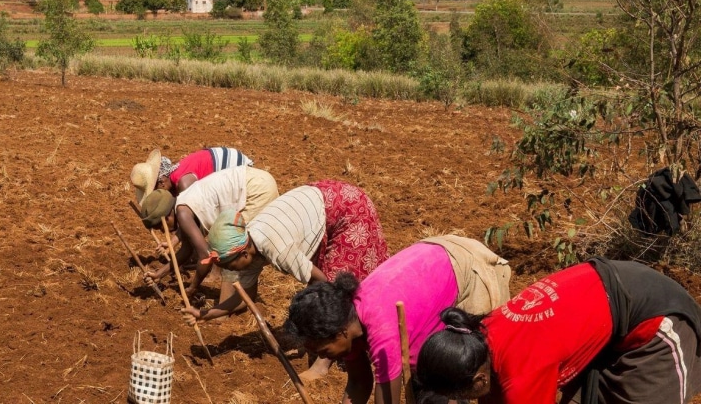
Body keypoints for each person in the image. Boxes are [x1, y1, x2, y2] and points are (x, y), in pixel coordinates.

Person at [415, 257, 701, 404]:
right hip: (608, 308)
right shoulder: (480, 334)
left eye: (466, 397)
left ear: (478, 381)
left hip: (655, 318)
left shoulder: (521, 374)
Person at [182, 180, 389, 380]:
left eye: (228, 266)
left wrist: (311, 322)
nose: (228, 271)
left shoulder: (274, 246)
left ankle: (322, 364)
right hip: (323, 202)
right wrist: (203, 314)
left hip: (347, 209)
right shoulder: (247, 247)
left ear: (243, 254)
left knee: (336, 282)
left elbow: (322, 283)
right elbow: (243, 298)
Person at [284, 235, 512, 404]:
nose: (323, 358)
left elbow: (387, 400)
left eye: (324, 351)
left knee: (464, 374)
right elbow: (359, 382)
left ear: (340, 332)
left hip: (466, 267)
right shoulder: (348, 320)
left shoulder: (382, 327)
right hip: (428, 266)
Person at [138, 165, 278, 302]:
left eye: (161, 227)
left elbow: (205, 255)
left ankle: (230, 304)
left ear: (167, 217)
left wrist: (193, 287)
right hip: (257, 181)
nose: (164, 231)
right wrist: (159, 274)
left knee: (230, 251)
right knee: (234, 249)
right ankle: (240, 300)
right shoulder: (184, 205)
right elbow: (186, 250)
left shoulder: (183, 214)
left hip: (255, 191)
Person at [131, 147, 253, 204]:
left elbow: (199, 211)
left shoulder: (183, 183)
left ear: (162, 182)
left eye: (156, 191)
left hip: (239, 170)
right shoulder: (177, 173)